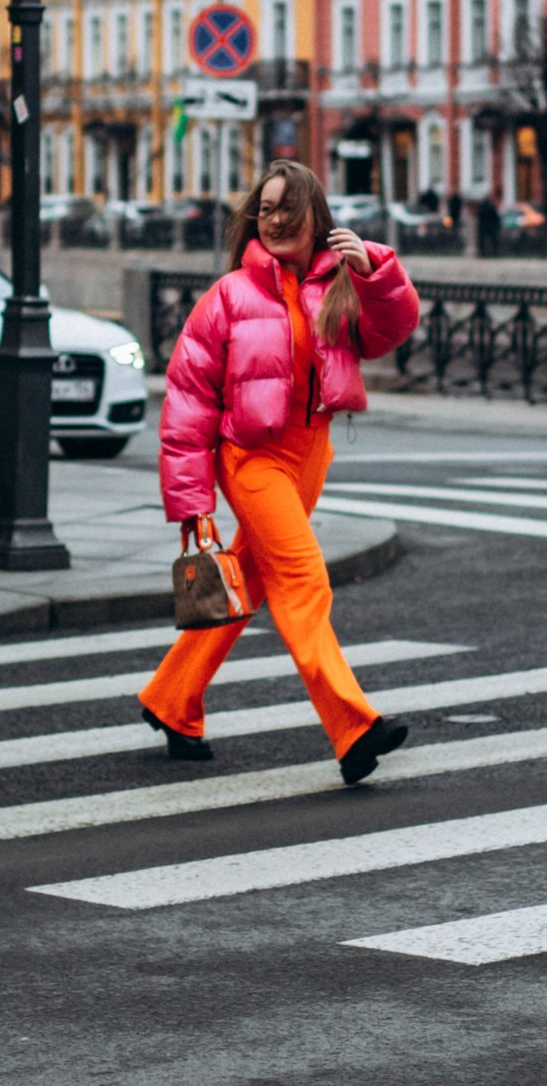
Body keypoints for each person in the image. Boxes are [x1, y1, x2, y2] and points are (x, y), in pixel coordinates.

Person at [138, 159, 421, 780]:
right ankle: (352, 727)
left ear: (315, 218)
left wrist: (376, 271)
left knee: (249, 579)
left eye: (286, 209)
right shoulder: (228, 297)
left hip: (310, 452)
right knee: (304, 580)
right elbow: (187, 398)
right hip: (252, 456)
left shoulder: (338, 284)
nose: (272, 221)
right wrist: (191, 501)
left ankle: (172, 699)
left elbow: (389, 332)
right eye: (263, 209)